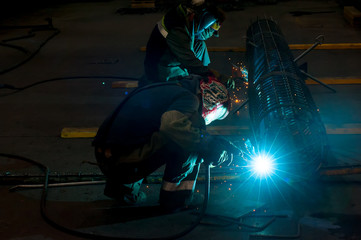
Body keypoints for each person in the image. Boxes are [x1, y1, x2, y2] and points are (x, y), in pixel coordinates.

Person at [92, 74, 238, 212]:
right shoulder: (189, 99)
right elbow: (171, 126)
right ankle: (177, 198)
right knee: (190, 143)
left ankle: (122, 192)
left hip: (106, 158)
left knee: (164, 132)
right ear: (211, 103)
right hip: (124, 164)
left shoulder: (169, 89)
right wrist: (207, 145)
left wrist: (209, 139)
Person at [142, 0, 227, 86]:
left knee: (200, 45)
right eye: (212, 29)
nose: (211, 34)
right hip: (159, 72)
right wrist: (215, 76)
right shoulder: (177, 27)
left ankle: (202, 78)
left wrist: (206, 74)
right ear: (204, 21)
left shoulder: (188, 20)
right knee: (190, 95)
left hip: (170, 60)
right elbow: (188, 59)